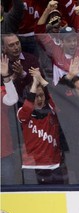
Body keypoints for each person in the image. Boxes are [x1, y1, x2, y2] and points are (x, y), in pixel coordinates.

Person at [17, 67, 67, 184]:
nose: (40, 99)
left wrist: (40, 79)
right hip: (32, 167)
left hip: (54, 165)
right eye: (36, 96)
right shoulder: (22, 113)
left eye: (41, 95)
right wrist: (34, 83)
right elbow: (27, 109)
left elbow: (54, 97)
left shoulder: (52, 111)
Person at [1, 33, 40, 103]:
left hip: (30, 100)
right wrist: (13, 77)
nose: (16, 47)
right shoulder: (1, 63)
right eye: (11, 45)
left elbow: (41, 81)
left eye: (17, 43)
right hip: (9, 104)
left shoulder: (31, 59)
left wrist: (23, 74)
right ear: (4, 48)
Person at [1, 54, 20, 185]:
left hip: (3, 156)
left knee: (9, 190)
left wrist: (6, 77)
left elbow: (12, 99)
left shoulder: (1, 91)